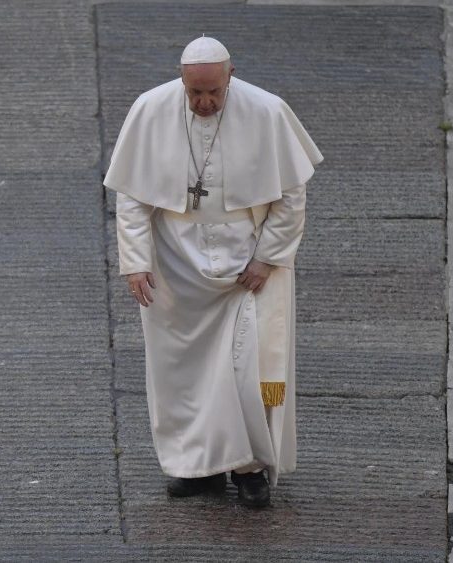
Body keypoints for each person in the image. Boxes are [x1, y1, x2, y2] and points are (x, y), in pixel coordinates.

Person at [103, 36, 322, 508]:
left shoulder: (266, 112)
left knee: (245, 368)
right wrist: (136, 261)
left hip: (247, 266)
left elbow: (290, 195)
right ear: (182, 81)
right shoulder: (150, 109)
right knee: (182, 373)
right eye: (194, 93)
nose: (203, 103)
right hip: (176, 267)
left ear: (231, 76)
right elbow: (133, 197)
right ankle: (194, 466)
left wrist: (267, 257)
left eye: (213, 94)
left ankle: (248, 470)